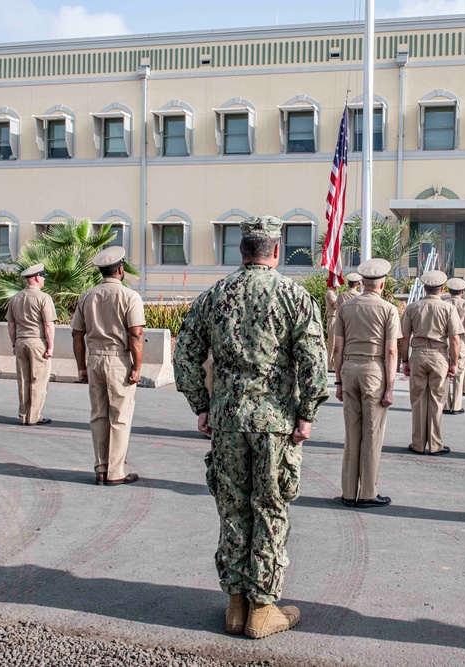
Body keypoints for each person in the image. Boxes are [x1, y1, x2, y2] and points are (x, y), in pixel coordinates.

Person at [173, 216, 328, 640]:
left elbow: (184, 354)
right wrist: (307, 414)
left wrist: (201, 406)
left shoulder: (215, 295)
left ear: (242, 251)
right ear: (275, 251)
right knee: (270, 507)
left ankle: (236, 604)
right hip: (274, 423)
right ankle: (262, 607)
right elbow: (315, 362)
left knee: (233, 508)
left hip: (226, 421)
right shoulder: (294, 296)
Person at [70, 246, 145, 487]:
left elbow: (76, 334)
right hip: (118, 360)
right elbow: (136, 335)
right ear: (121, 269)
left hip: (94, 358)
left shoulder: (87, 296)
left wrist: (81, 367)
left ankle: (101, 468)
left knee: (99, 415)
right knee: (120, 417)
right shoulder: (129, 297)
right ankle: (116, 472)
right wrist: (137, 367)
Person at [333, 258, 400, 508]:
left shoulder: (346, 307)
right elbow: (392, 351)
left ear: (362, 282)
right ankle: (368, 492)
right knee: (372, 434)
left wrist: (338, 381)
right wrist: (390, 387)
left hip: (349, 368)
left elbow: (337, 348)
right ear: (382, 284)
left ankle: (349, 491)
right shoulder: (388, 309)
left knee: (352, 433)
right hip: (374, 369)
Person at [400, 270, 462, 456]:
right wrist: (454, 362)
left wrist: (405, 360)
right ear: (442, 289)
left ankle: (418, 443)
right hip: (439, 355)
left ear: (424, 288)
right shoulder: (448, 308)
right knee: (437, 400)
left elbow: (404, 337)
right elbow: (455, 339)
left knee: (418, 400)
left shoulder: (412, 307)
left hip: (418, 354)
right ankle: (435, 444)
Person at [6, 263, 57, 426]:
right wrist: (50, 346)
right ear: (36, 277)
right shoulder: (44, 298)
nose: (43, 280)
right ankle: (33, 416)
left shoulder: (15, 298)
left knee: (23, 379)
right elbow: (48, 325)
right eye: (42, 277)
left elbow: (11, 325)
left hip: (21, 341)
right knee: (38, 380)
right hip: (38, 341)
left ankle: (23, 414)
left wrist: (14, 343)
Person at [443, 278, 465, 416]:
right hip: (460, 341)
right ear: (462, 291)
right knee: (459, 375)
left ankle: (445, 405)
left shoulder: (443, 303)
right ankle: (456, 406)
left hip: (445, 342)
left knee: (444, 376)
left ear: (449, 291)